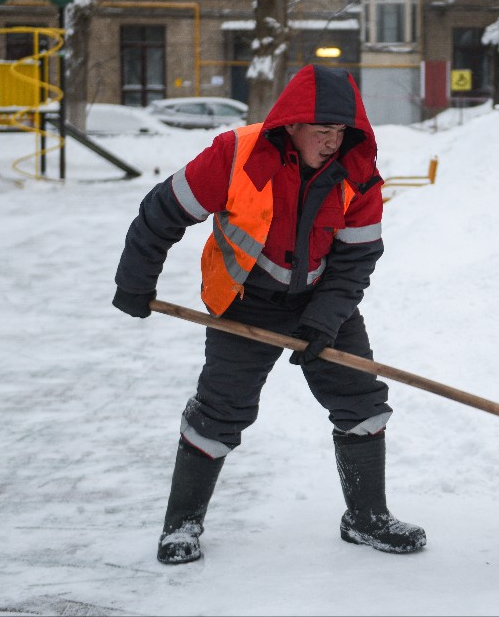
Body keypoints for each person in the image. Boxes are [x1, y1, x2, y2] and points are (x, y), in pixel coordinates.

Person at [112, 64, 426, 564]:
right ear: (292, 125)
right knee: (220, 411)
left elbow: (357, 258)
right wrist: (135, 281)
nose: (331, 141)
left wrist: (324, 320)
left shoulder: (357, 171)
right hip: (244, 301)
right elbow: (161, 212)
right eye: (322, 131)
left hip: (321, 300)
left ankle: (366, 518)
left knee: (362, 402)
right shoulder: (236, 156)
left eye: (340, 132)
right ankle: (182, 525)